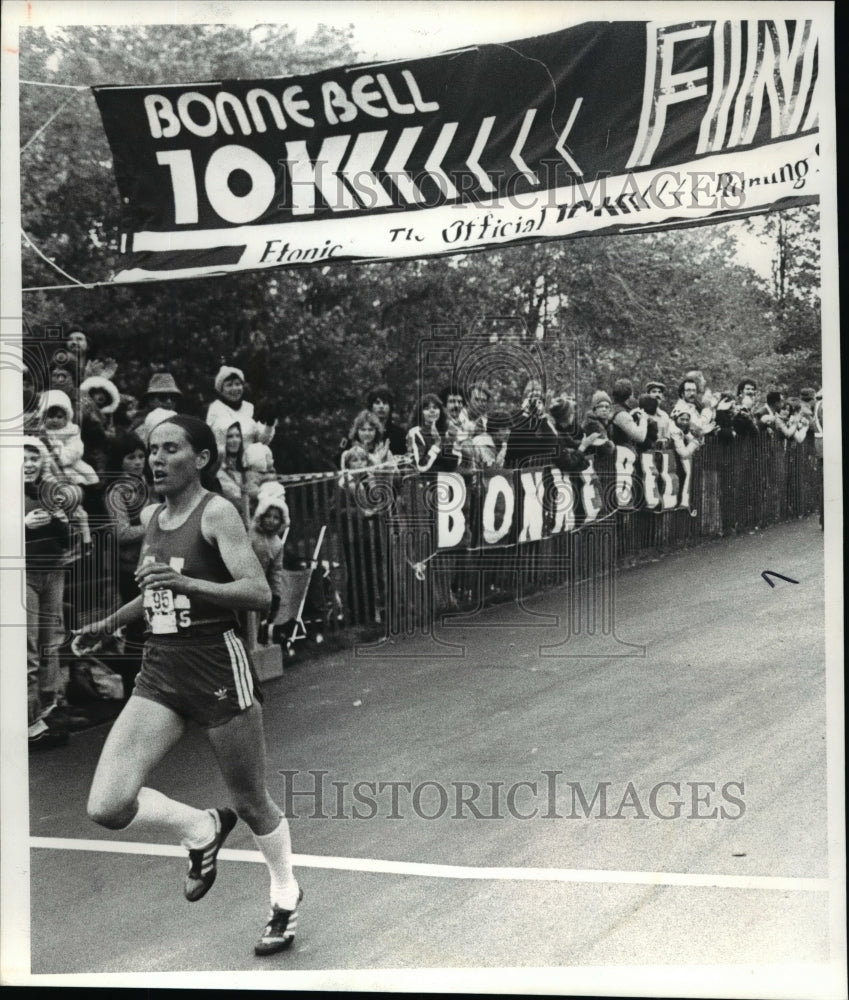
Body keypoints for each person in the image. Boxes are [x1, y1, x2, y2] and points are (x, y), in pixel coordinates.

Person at [75, 415, 302, 956]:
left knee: (250, 801)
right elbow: (158, 591)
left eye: (169, 448)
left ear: (200, 458)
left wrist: (187, 582)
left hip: (216, 665)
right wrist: (111, 622)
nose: (155, 459)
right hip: (161, 669)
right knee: (107, 805)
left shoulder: (217, 512)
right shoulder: (153, 515)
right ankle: (200, 829)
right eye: (152, 449)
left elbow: (257, 594)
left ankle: (285, 895)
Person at [24, 436, 75, 750]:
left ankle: (46, 710)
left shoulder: (48, 491)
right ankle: (28, 722)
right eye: (23, 458)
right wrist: (22, 523)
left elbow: (67, 539)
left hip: (52, 571)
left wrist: (60, 521)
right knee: (27, 647)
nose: (29, 464)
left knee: (49, 643)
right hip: (22, 573)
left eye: (34, 458)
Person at [206, 364, 276, 457]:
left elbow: (261, 442)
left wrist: (269, 425)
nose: (234, 388)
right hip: (223, 461)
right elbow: (210, 440)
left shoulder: (249, 408)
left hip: (248, 462)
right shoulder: (215, 408)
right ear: (221, 390)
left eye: (237, 384)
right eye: (229, 385)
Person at [407, 394, 461, 473]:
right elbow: (421, 466)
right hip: (423, 480)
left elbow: (452, 467)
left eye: (435, 408)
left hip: (444, 479)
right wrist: (436, 444)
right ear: (421, 413)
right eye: (427, 408)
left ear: (440, 411)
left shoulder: (445, 431)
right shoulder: (415, 433)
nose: (432, 410)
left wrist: (453, 443)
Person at [216, 422, 247, 511]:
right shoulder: (217, 471)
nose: (235, 440)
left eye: (238, 436)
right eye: (230, 436)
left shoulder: (246, 467)